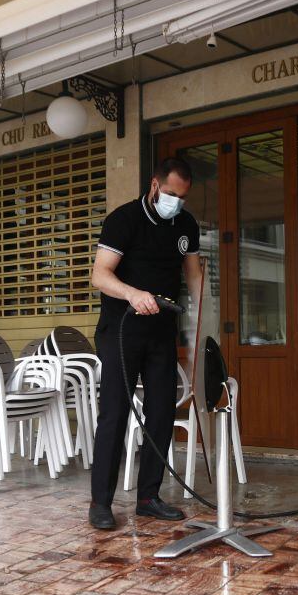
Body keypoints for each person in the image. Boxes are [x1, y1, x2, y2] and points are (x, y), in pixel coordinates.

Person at [88, 157, 202, 529]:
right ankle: (101, 502)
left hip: (161, 331)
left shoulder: (185, 224)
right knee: (116, 413)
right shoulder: (124, 220)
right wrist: (133, 293)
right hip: (121, 329)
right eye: (170, 194)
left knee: (161, 412)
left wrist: (203, 323)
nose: (175, 202)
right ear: (154, 185)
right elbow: (100, 275)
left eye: (181, 197)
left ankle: (149, 497)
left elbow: (194, 275)